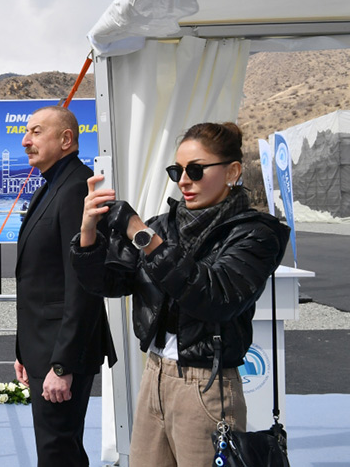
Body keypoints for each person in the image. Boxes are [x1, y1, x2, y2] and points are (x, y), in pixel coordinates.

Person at [70, 122, 290, 466]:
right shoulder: (163, 225)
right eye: (177, 171)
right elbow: (108, 283)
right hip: (155, 374)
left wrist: (141, 234)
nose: (184, 181)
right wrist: (87, 231)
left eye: (196, 170)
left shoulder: (256, 233)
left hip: (207, 385)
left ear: (232, 172)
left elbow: (216, 297)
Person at [14, 105, 117, 466]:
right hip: (43, 347)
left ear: (66, 139)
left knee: (57, 453)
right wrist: (23, 351)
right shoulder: (50, 186)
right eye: (26, 132)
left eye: (36, 132)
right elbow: (40, 281)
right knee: (62, 451)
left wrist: (62, 365)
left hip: (61, 351)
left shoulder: (76, 189)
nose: (25, 141)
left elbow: (81, 284)